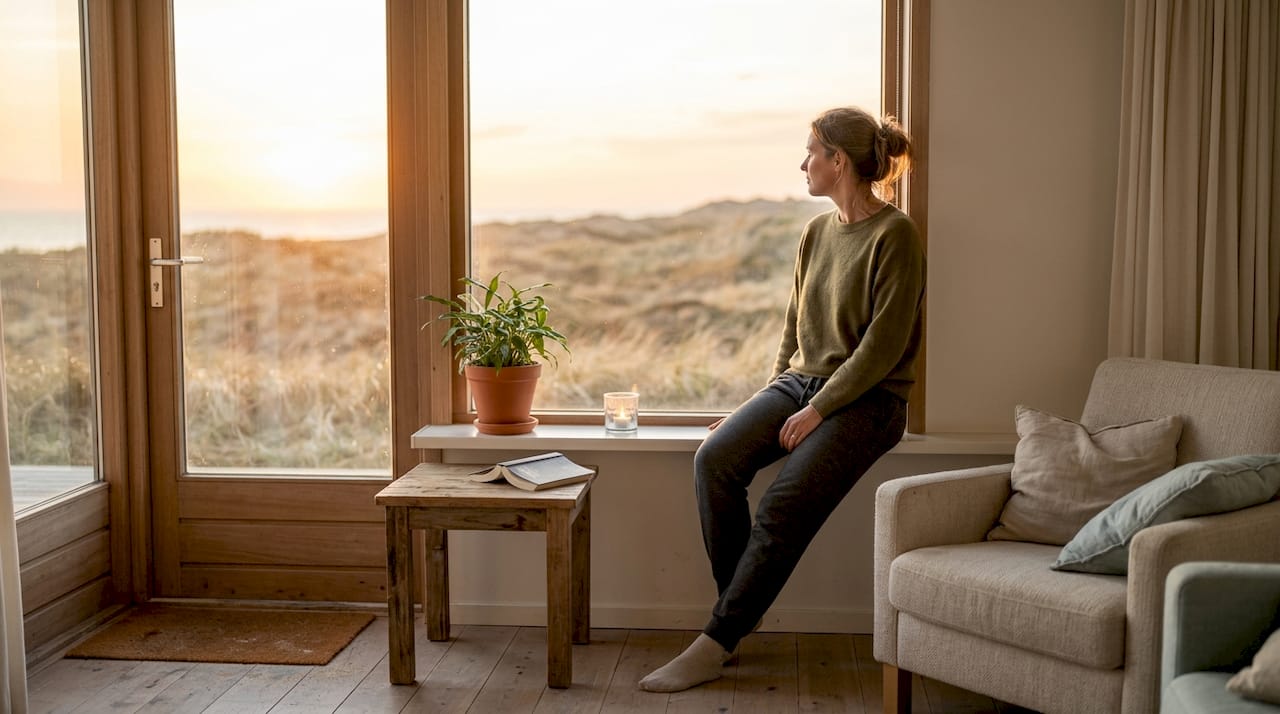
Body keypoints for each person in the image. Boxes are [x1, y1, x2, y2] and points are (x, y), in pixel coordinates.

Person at [638, 106, 925, 693]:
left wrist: (819, 409)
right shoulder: (816, 232)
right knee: (715, 458)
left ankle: (716, 641)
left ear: (837, 161)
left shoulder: (896, 235)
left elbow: (883, 348)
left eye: (811, 152)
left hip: (870, 402)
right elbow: (794, 328)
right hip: (800, 385)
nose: (803, 164)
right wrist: (769, 399)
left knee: (782, 507)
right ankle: (734, 618)